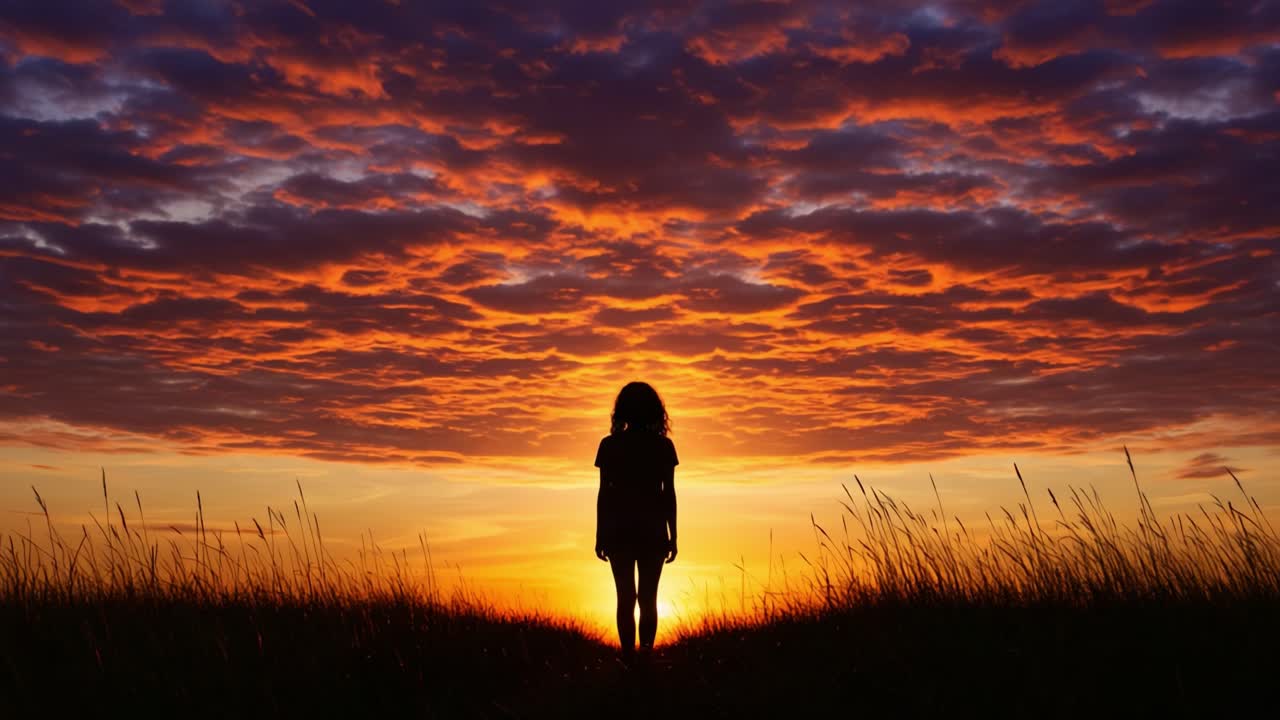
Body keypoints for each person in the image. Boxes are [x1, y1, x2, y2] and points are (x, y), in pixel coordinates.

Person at [594, 381, 678, 661]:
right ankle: (645, 655)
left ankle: (629, 657)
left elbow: (604, 493)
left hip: (619, 530)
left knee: (625, 599)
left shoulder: (609, 446)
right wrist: (673, 536)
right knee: (647, 599)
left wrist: (600, 534)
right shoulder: (663, 446)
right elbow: (669, 494)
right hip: (653, 530)